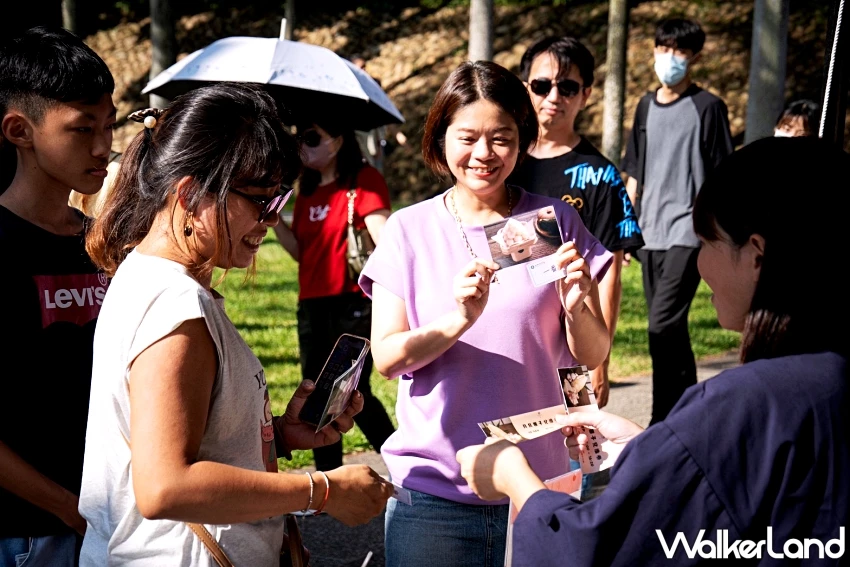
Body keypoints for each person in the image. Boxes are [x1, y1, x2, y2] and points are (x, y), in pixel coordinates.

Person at [457, 136, 850, 565]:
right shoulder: (826, 381)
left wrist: (514, 478)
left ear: (756, 255)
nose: (698, 266)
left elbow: (594, 549)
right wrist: (649, 448)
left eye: (707, 243)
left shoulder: (741, 406)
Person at [78, 83, 393, 566]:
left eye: (280, 200)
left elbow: (184, 439)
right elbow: (165, 487)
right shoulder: (174, 304)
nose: (271, 220)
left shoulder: (155, 279)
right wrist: (321, 490)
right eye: (261, 200)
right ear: (190, 194)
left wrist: (280, 434)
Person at [360, 60, 613, 566]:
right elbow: (388, 359)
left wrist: (577, 307)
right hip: (437, 492)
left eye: (501, 138)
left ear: (521, 142)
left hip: (541, 488)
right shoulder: (409, 231)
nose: (483, 154)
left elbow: (591, 352)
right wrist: (457, 320)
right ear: (440, 139)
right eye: (468, 137)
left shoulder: (550, 221)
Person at [0, 26, 116, 567]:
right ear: (19, 130)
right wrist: (68, 509)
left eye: (110, 125)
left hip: (117, 523)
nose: (103, 147)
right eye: (82, 128)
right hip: (28, 536)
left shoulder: (108, 247)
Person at [510, 35, 644, 409]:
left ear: (585, 94)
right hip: (506, 338)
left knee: (572, 452)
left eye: (567, 87)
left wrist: (601, 361)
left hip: (573, 338)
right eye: (541, 85)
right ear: (525, 89)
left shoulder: (601, 176)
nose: (554, 97)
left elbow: (610, 273)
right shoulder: (499, 163)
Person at [621, 18, 734, 425]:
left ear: (695, 57)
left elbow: (724, 177)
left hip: (688, 231)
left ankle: (659, 420)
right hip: (648, 232)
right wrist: (626, 230)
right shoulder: (645, 105)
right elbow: (634, 170)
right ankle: (688, 415)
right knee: (668, 332)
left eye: (680, 52)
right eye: (664, 49)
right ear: (653, 51)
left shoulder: (709, 107)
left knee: (660, 323)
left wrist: (720, 237)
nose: (670, 59)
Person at [272, 119, 396, 472]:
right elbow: (301, 251)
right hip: (311, 304)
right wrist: (276, 218)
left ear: (338, 141)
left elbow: (386, 242)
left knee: (355, 392)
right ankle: (328, 481)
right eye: (301, 138)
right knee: (315, 394)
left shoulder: (363, 180)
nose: (303, 146)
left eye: (313, 138)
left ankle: (405, 468)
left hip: (352, 302)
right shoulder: (306, 189)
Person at [349, 54, 408, 174]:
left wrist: (398, 135)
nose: (364, 71)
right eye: (360, 68)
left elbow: (384, 113)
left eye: (364, 66)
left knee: (377, 171)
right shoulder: (349, 92)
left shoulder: (374, 86)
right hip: (360, 140)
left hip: (377, 138)